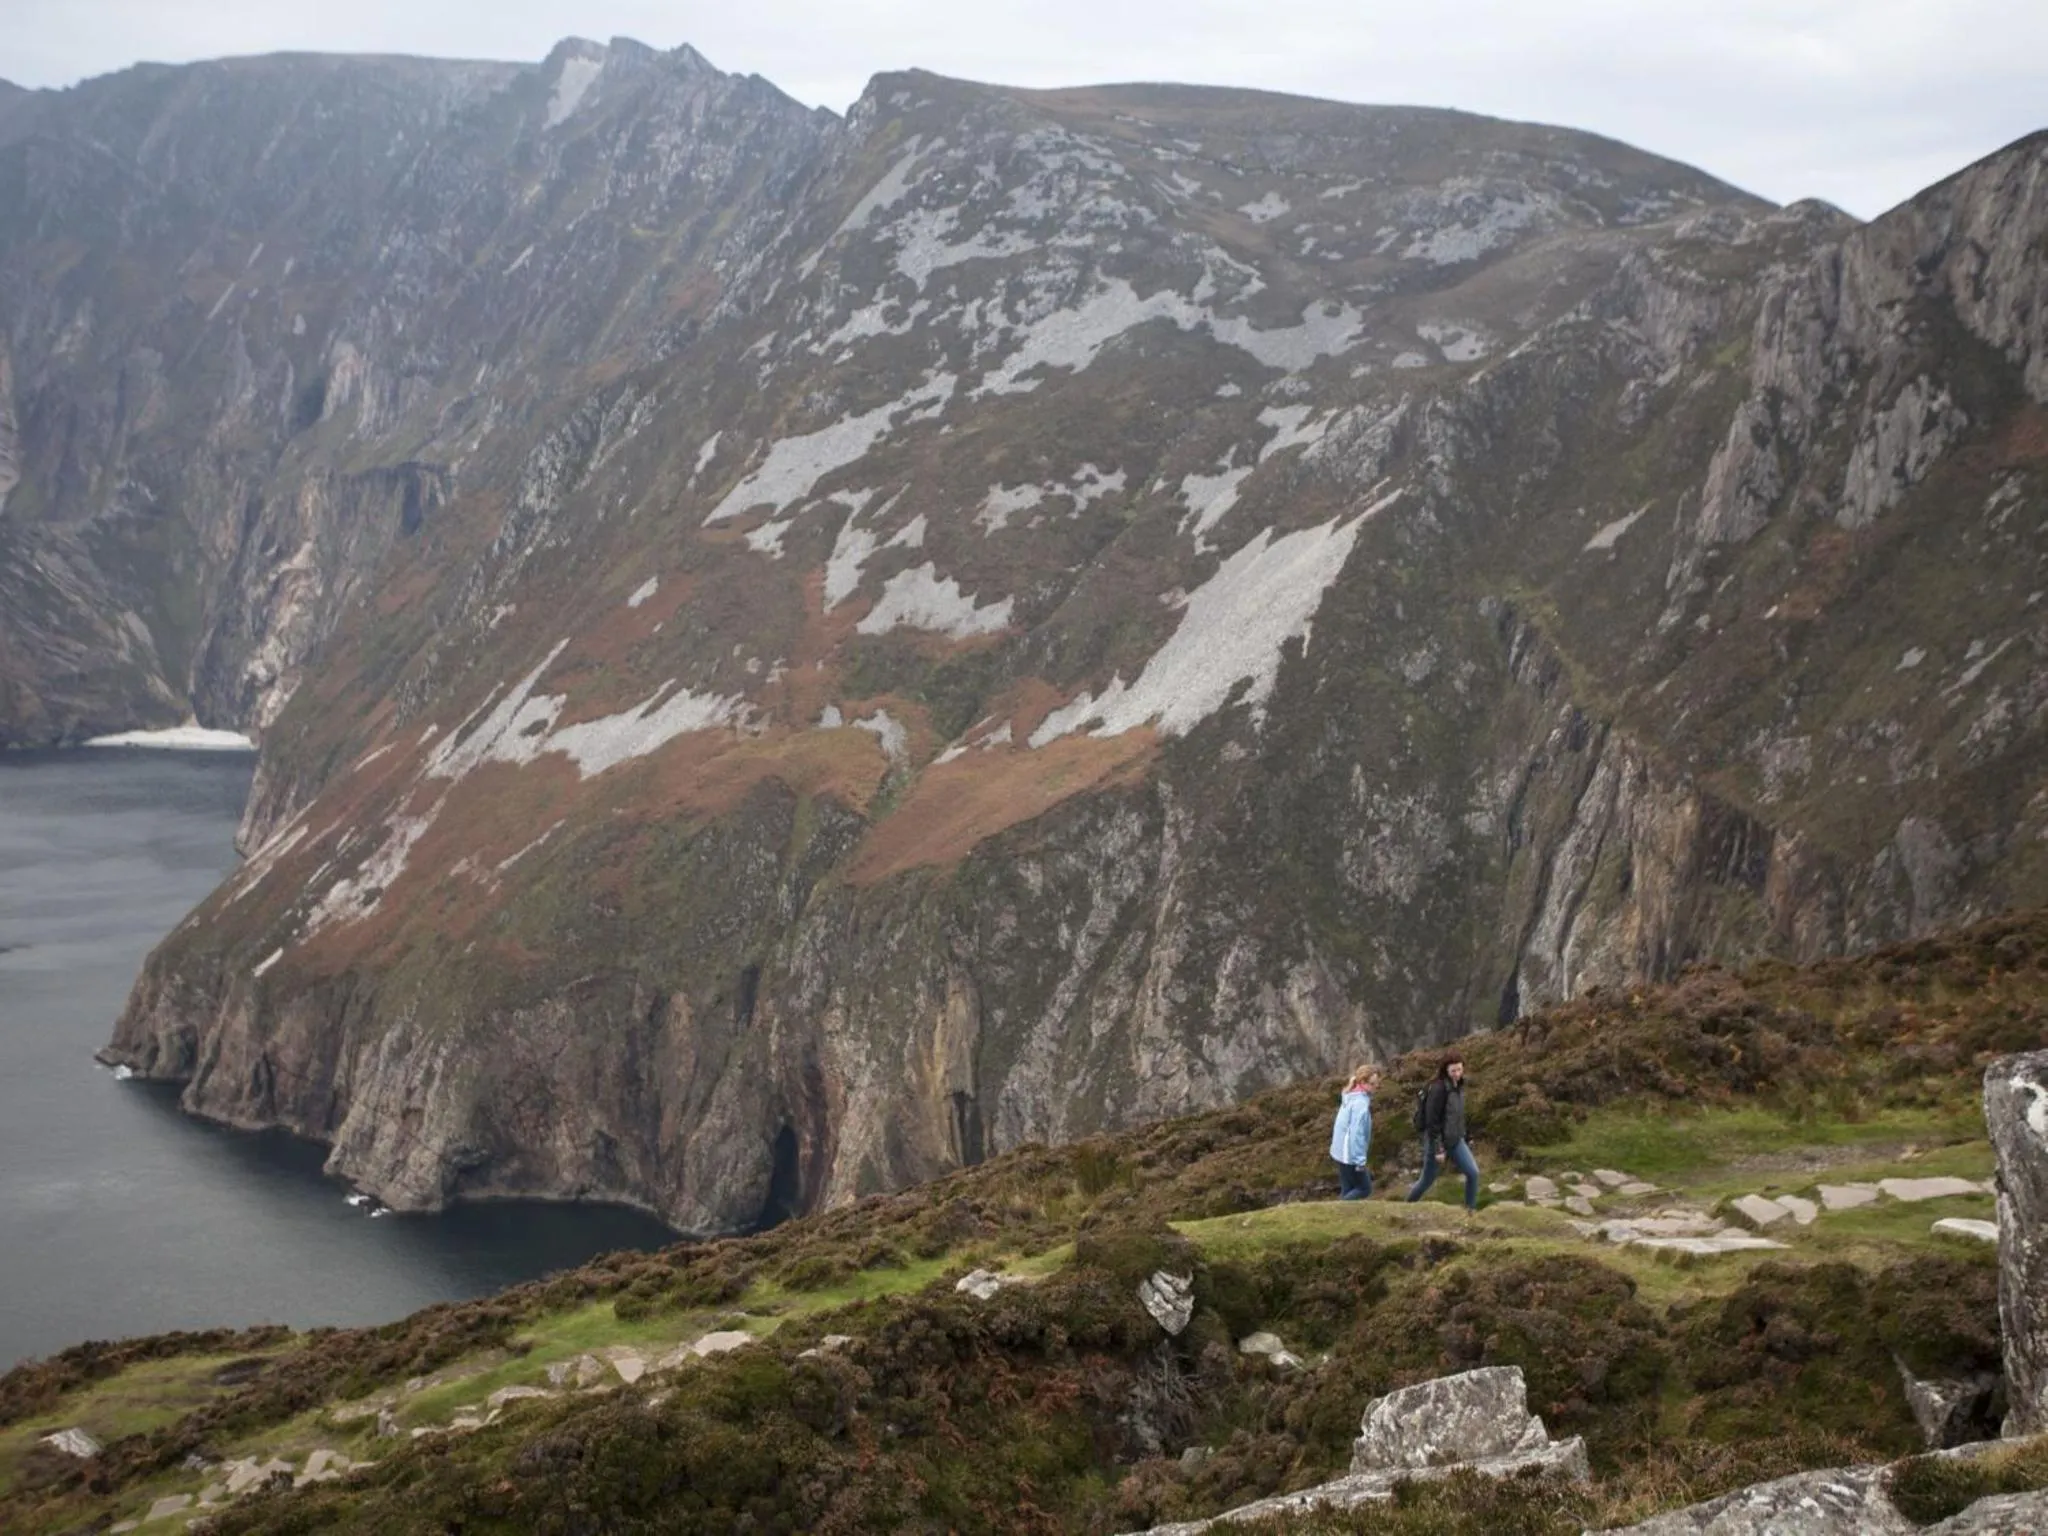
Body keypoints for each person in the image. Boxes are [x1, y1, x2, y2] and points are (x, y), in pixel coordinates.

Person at [1406, 1051, 1480, 1210]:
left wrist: (1466, 1136)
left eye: (1460, 1069)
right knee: (1426, 1181)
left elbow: (1457, 1116)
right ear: (1445, 1070)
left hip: (1455, 1139)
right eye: (1453, 1071)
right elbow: (1432, 1121)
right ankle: (1406, 1206)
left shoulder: (1458, 1086)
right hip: (1436, 1142)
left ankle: (1470, 1211)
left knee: (1473, 1173)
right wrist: (1439, 1148)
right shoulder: (1438, 1089)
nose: (1457, 1074)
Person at [1329, 1064, 1379, 1199]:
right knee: (1364, 1189)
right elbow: (1356, 1134)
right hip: (1349, 1154)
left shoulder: (1350, 1095)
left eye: (1377, 1084)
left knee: (1348, 1189)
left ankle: (1339, 1217)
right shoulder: (1360, 1104)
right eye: (1373, 1084)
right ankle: (1335, 1212)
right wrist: (1360, 1161)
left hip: (1340, 1151)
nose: (1376, 1087)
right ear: (1362, 1082)